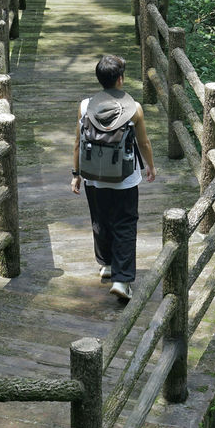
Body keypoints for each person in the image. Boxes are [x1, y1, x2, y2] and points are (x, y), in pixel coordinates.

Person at [71, 54, 156, 303]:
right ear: (120, 79)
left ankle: (107, 265)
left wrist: (75, 174)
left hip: (93, 177)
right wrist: (150, 167)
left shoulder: (85, 106)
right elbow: (144, 142)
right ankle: (122, 280)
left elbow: (78, 142)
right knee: (125, 224)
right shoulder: (134, 109)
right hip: (125, 179)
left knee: (100, 219)